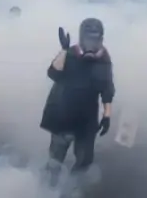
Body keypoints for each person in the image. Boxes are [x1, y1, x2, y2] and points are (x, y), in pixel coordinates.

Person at [41, 18, 115, 190]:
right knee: (55, 161)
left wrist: (107, 116)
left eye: (95, 39)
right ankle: (46, 190)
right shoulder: (70, 54)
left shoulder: (104, 60)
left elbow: (107, 89)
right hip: (63, 116)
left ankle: (70, 190)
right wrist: (64, 50)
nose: (91, 44)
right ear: (82, 37)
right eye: (88, 39)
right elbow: (53, 73)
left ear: (101, 39)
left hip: (86, 120)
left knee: (85, 161)